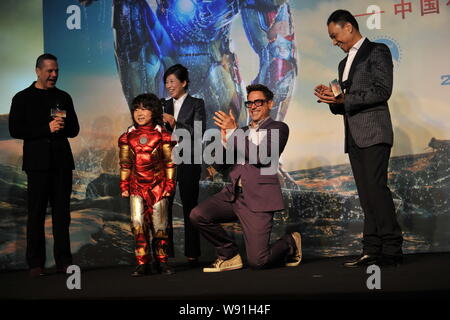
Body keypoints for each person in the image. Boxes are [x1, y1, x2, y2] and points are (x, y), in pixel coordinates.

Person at [314, 10, 403, 267]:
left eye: (335, 36)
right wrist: (331, 98)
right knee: (365, 195)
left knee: (376, 190)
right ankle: (371, 250)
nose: (333, 42)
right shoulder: (343, 64)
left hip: (374, 132)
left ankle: (392, 249)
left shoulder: (377, 51)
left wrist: (345, 98)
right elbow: (344, 104)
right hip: (353, 135)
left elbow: (382, 91)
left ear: (349, 27)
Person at [190, 84, 301, 272]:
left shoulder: (279, 128)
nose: (253, 106)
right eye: (250, 103)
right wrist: (224, 142)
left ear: (270, 104)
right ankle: (229, 254)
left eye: (258, 102)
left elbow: (262, 156)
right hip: (233, 196)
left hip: (258, 199)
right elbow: (222, 166)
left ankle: (291, 242)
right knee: (198, 215)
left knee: (259, 262)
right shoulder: (240, 131)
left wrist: (233, 133)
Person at [8, 53, 80, 277]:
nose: (54, 75)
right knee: (36, 214)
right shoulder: (22, 98)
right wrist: (45, 129)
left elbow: (74, 130)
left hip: (61, 164)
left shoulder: (63, 97)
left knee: (62, 215)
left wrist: (62, 126)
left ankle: (64, 262)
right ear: (38, 71)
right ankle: (35, 264)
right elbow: (15, 130)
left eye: (56, 70)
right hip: (37, 165)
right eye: (49, 71)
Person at [118, 93, 177, 276]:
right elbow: (125, 164)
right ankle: (142, 262)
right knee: (137, 224)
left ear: (154, 111)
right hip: (137, 187)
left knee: (160, 226)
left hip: (158, 187)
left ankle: (162, 262)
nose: (140, 113)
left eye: (145, 108)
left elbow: (169, 163)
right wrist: (124, 185)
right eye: (136, 109)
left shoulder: (163, 135)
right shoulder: (127, 136)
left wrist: (169, 185)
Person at [161, 64, 206, 267]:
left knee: (190, 207)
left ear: (184, 82)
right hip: (167, 161)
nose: (169, 86)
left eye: (172, 81)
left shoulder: (197, 103)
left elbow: (199, 131)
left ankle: (192, 254)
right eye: (166, 82)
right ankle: (164, 254)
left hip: (189, 159)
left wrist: (175, 123)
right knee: (164, 207)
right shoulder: (161, 105)